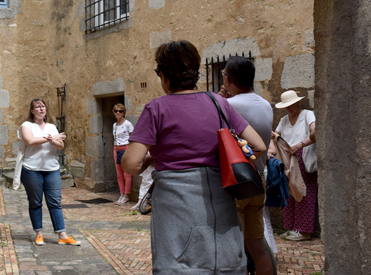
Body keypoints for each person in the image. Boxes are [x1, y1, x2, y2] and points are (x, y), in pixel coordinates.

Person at [122, 40, 266, 274]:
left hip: (176, 208)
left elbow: (130, 164)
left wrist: (151, 160)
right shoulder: (218, 102)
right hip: (221, 205)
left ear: (165, 76)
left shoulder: (157, 109)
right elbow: (258, 145)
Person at [220, 56, 274, 275]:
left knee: (234, 250)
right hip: (257, 179)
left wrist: (222, 100)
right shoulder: (265, 104)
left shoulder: (227, 106)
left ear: (228, 79)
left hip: (235, 184)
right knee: (257, 247)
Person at [19, 98, 81, 246]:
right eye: (37, 107)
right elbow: (30, 141)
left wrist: (53, 140)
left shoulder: (52, 127)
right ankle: (39, 234)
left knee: (55, 202)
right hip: (31, 169)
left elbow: (61, 146)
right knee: (35, 202)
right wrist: (53, 138)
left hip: (52, 169)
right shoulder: (26, 126)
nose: (41, 109)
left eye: (43, 106)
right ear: (32, 111)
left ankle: (62, 235)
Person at [269, 90, 317, 241]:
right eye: (286, 106)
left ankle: (304, 231)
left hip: (304, 158)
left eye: (291, 105)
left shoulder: (307, 115)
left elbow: (316, 132)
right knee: (289, 192)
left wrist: (301, 145)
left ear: (297, 102)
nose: (289, 108)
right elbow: (274, 134)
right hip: (288, 160)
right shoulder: (284, 120)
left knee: (304, 192)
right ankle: (291, 227)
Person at [111, 103, 134, 205]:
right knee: (119, 174)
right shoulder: (114, 125)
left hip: (125, 147)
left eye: (120, 111)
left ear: (124, 112)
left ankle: (126, 195)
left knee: (126, 173)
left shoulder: (128, 124)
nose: (118, 113)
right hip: (116, 148)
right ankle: (121, 193)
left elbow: (132, 137)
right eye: (116, 111)